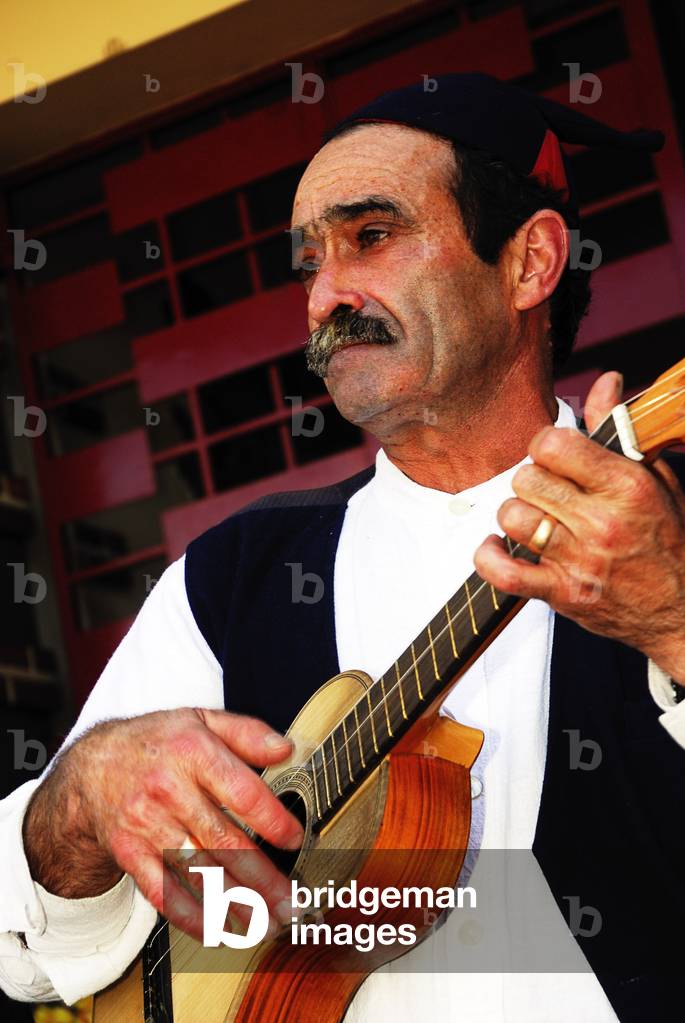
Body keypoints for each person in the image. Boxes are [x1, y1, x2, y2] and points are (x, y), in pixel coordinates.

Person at [1, 73, 684, 1021]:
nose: (325, 295)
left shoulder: (671, 528)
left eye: (372, 236)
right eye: (308, 260)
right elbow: (25, 953)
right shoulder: (234, 575)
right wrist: (80, 797)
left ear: (529, 262)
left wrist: (671, 618)